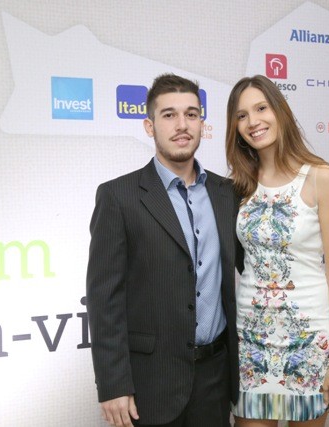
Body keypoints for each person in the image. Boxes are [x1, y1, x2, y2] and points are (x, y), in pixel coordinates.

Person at [86, 73, 240, 427]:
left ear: (201, 123)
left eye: (191, 114)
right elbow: (104, 298)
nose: (182, 125)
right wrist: (113, 384)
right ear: (149, 125)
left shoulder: (226, 194)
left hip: (216, 379)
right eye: (169, 115)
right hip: (150, 383)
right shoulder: (119, 197)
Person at [225, 75, 329, 427]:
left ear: (280, 111)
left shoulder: (320, 177)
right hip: (251, 342)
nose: (253, 121)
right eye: (241, 116)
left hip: (307, 340)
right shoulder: (237, 185)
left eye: (261, 108)